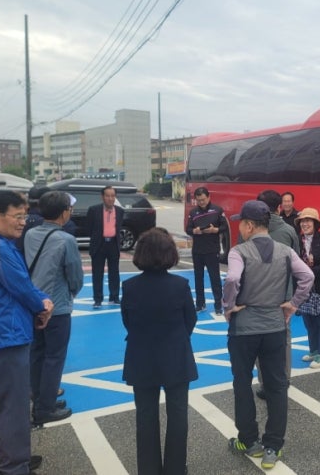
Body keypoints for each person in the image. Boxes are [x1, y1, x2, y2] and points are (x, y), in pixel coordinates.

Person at [0, 190, 54, 475]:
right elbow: (21, 287)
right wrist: (42, 305)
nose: (22, 222)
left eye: (24, 216)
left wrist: (40, 301)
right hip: (5, 337)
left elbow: (22, 284)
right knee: (14, 406)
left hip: (3, 335)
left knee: (6, 402)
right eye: (17, 217)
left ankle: (8, 457)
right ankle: (13, 467)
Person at [223, 200, 313, 470]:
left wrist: (230, 307)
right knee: (276, 386)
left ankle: (249, 441)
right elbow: (307, 276)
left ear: (249, 225)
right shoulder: (285, 251)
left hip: (244, 329)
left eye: (241, 223)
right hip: (275, 327)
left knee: (242, 382)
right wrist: (293, 303)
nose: (240, 227)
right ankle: (273, 446)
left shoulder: (238, 252)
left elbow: (232, 280)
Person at [122, 228, 198, 475]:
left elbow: (128, 321)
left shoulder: (130, 286)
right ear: (170, 254)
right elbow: (191, 319)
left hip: (141, 356)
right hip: (175, 355)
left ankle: (148, 468)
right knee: (177, 415)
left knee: (145, 416)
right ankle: (175, 468)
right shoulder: (180, 285)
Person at [25, 191, 82, 427]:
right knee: (54, 357)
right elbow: (75, 276)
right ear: (64, 212)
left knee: (37, 352)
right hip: (56, 307)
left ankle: (40, 398)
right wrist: (71, 294)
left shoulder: (29, 234)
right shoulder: (66, 239)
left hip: (33, 303)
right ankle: (45, 408)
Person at [254, 190, 299, 400]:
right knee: (284, 338)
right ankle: (284, 380)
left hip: (255, 297)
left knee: (260, 339)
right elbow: (298, 267)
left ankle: (265, 383)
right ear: (279, 207)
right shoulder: (289, 231)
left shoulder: (249, 231)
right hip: (284, 295)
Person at [294, 207, 320, 369]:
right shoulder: (298, 240)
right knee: (309, 320)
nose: (305, 224)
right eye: (303, 221)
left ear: (315, 223)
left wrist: (309, 270)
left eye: (308, 221)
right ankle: (313, 350)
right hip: (305, 289)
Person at [185, 186, 228, 314]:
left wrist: (216, 230)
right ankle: (200, 303)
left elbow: (224, 226)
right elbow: (188, 229)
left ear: (208, 197)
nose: (201, 202)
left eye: (203, 199)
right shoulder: (193, 213)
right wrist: (194, 231)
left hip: (212, 249)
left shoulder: (217, 210)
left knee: (215, 278)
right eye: (198, 200)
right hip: (197, 250)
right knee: (198, 278)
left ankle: (218, 305)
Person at [87, 186, 124, 308]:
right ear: (102, 197)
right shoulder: (94, 210)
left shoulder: (120, 211)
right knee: (97, 273)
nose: (110, 198)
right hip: (99, 244)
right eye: (107, 196)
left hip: (113, 243)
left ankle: (114, 297)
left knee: (114, 272)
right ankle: (97, 299)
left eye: (113, 196)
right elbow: (90, 228)